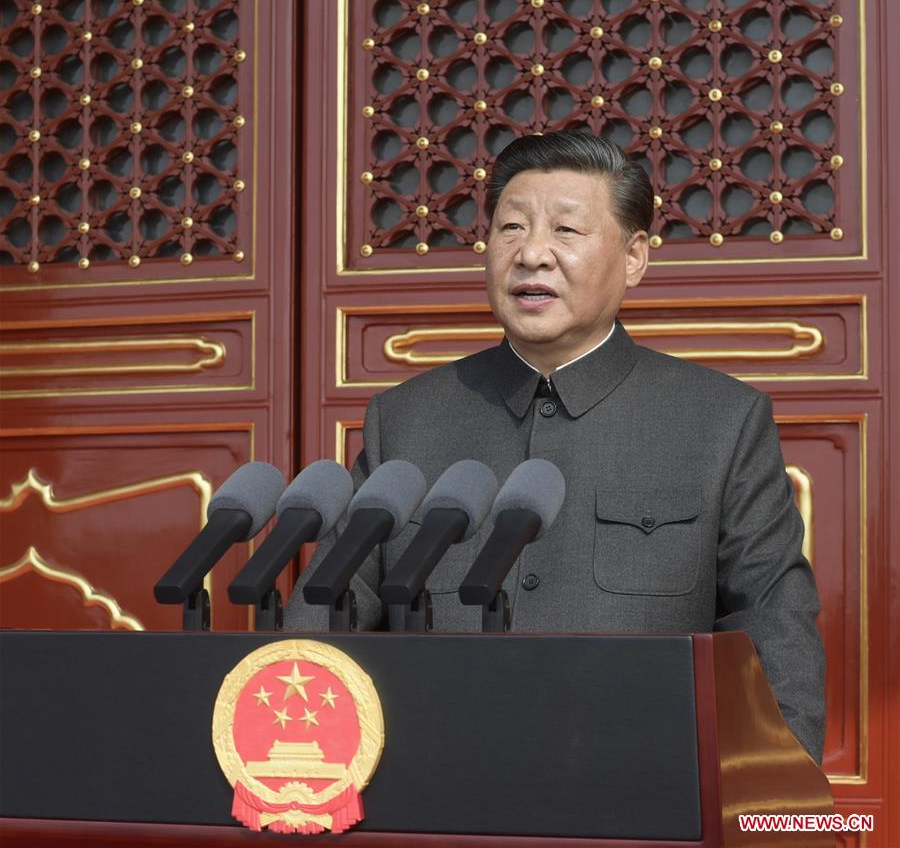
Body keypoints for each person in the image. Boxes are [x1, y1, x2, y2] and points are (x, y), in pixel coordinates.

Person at [285, 132, 825, 762]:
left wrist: (783, 807)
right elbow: (326, 617)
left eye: (566, 231)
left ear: (633, 258)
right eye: (511, 228)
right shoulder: (407, 418)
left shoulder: (720, 421)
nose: (531, 253)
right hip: (435, 789)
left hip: (644, 794)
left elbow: (772, 632)